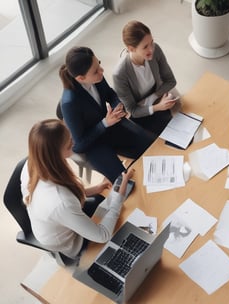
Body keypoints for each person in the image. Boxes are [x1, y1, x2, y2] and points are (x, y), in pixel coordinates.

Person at [20, 119, 134, 259]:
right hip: (71, 243)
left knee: (106, 203)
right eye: (68, 145)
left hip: (62, 217)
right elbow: (103, 235)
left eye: (70, 136)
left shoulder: (33, 164)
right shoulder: (60, 202)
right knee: (123, 221)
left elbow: (67, 190)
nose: (73, 142)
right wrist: (119, 197)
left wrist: (95, 189)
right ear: (54, 155)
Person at [59, 46, 155, 183]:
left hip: (112, 124)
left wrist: (118, 105)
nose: (101, 71)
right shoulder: (69, 103)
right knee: (125, 182)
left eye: (99, 64)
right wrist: (105, 123)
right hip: (94, 144)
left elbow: (110, 94)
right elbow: (78, 145)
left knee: (152, 146)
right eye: (96, 71)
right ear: (81, 78)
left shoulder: (96, 76)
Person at [113, 20, 179, 135]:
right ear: (131, 49)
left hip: (157, 98)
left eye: (151, 42)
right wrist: (157, 107)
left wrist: (154, 97)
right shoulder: (119, 74)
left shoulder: (155, 50)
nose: (151, 49)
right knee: (163, 136)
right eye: (145, 47)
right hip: (140, 112)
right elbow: (132, 110)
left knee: (179, 125)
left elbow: (170, 80)